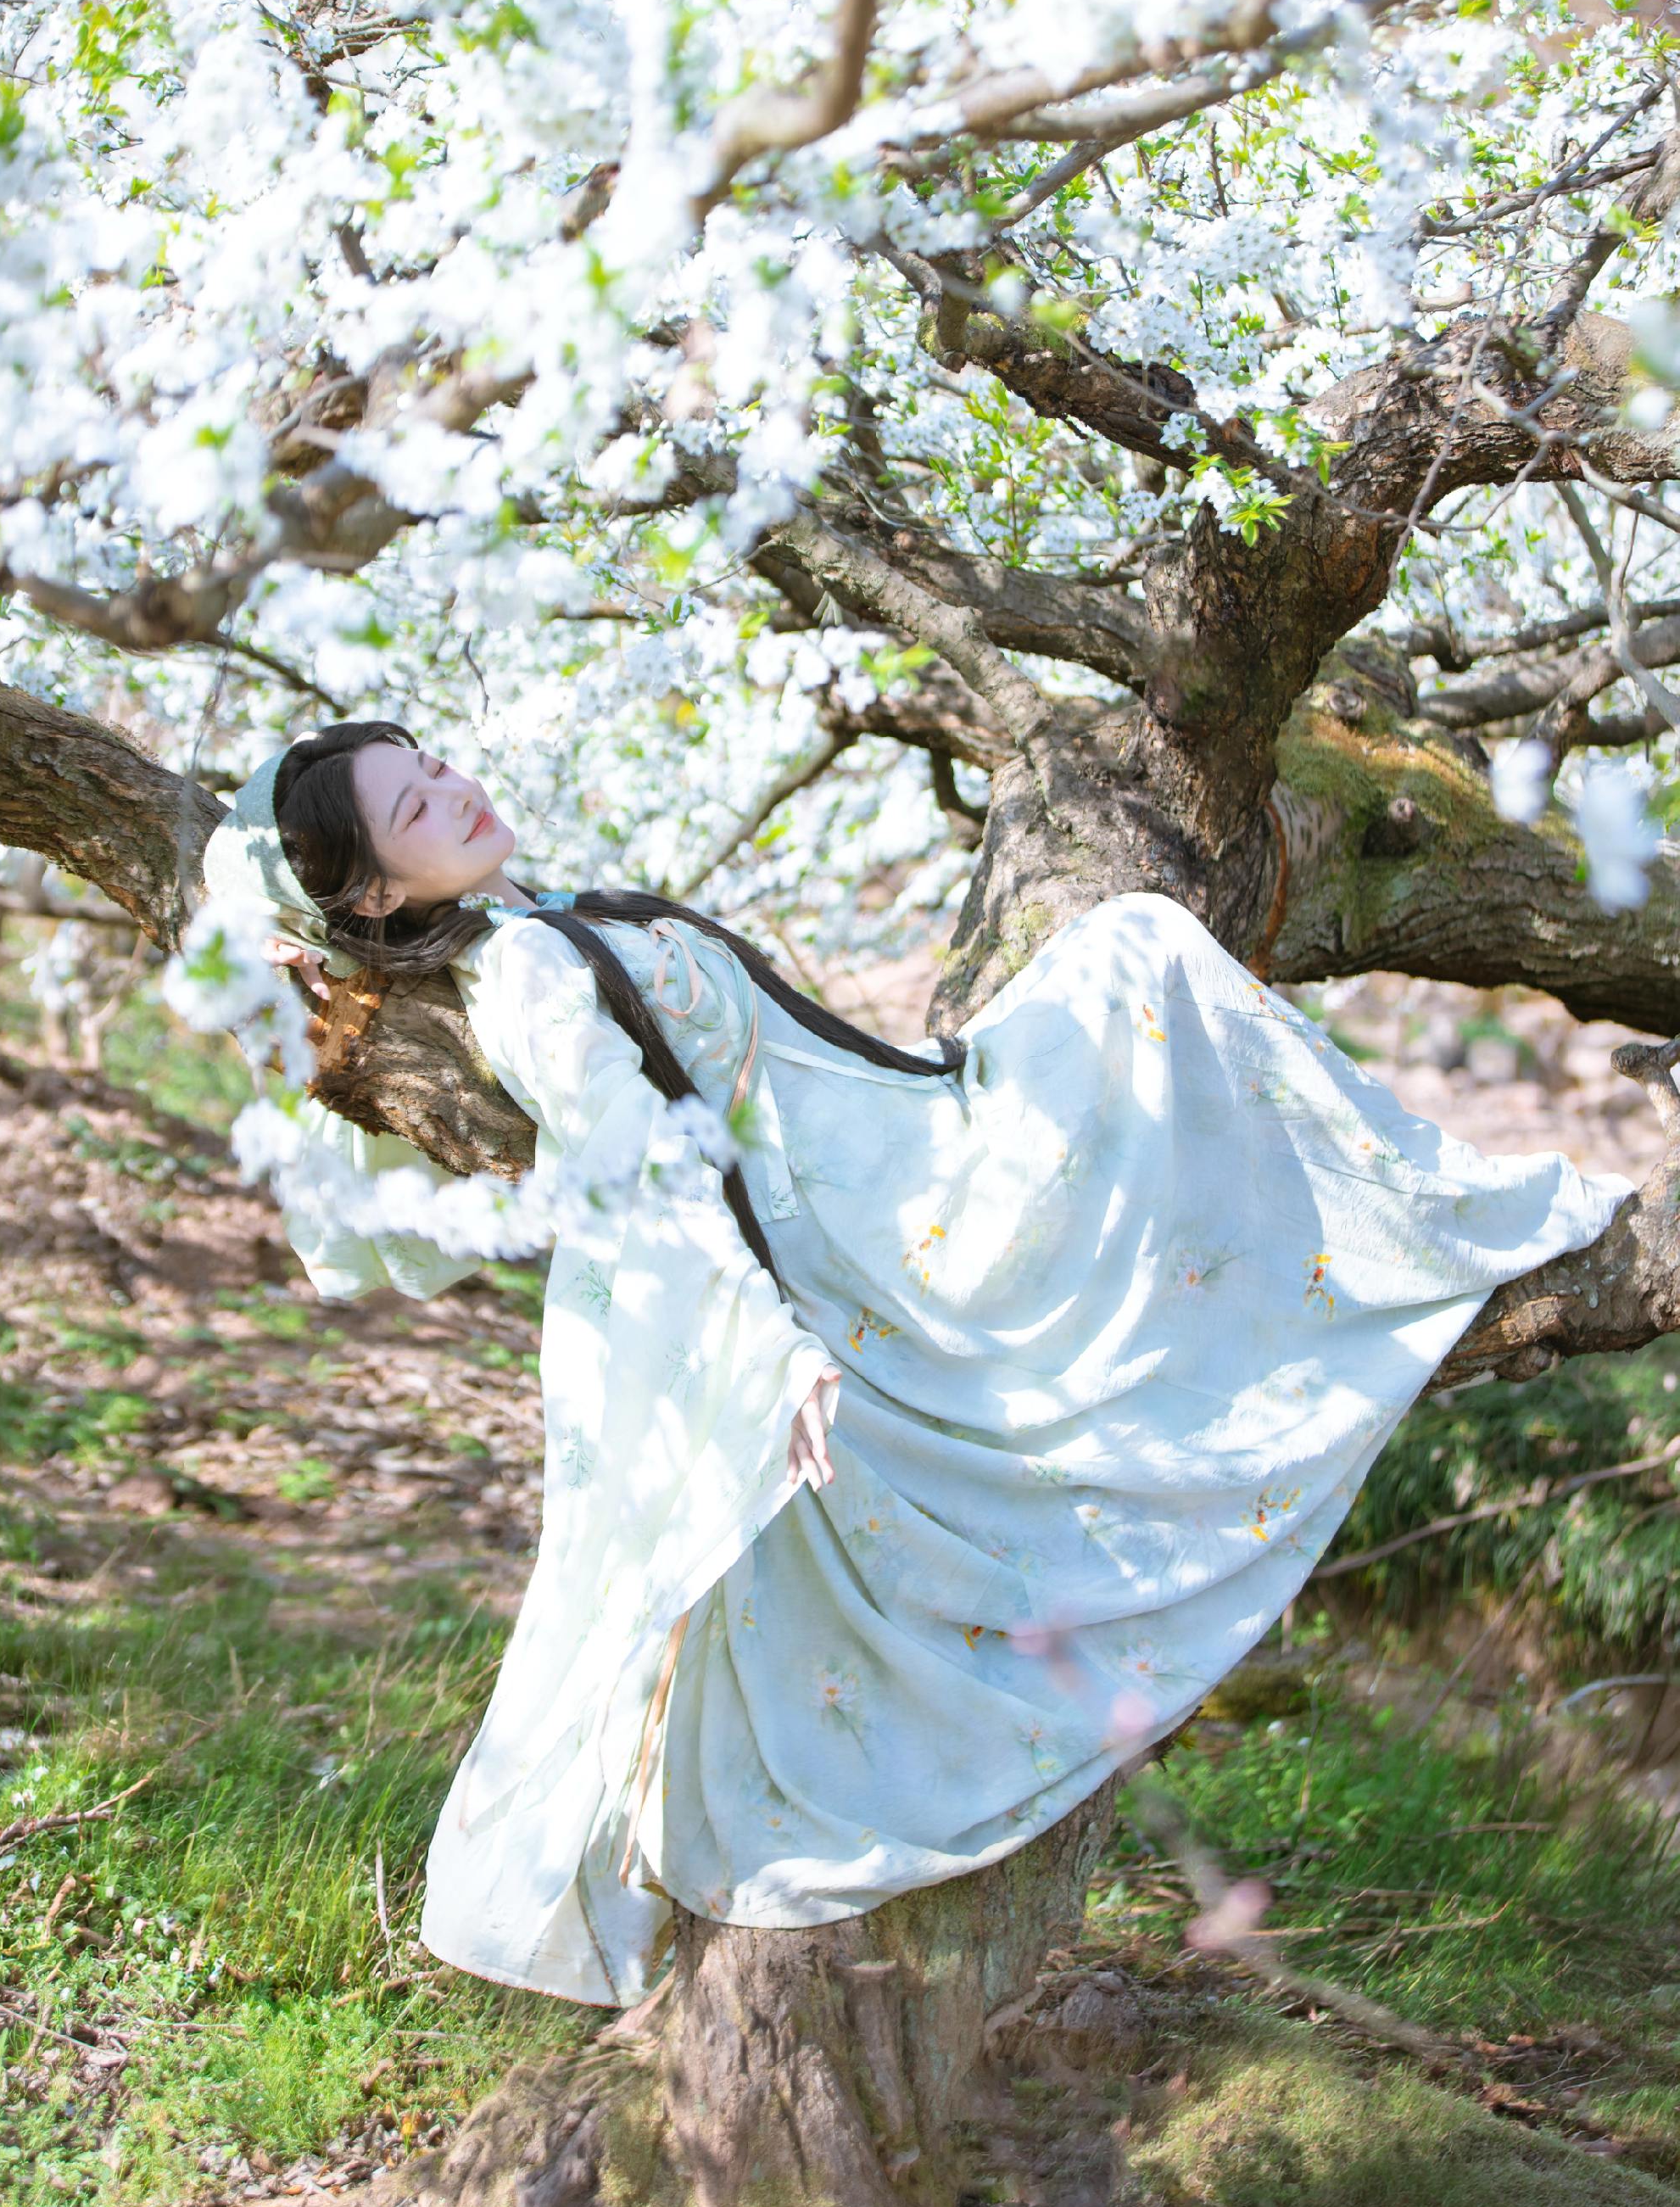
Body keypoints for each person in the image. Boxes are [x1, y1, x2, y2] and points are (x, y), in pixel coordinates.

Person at [197, 722, 1627, 2010]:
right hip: (861, 1229)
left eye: (435, 765)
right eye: (412, 802)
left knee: (1140, 947)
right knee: (1143, 960)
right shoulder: (521, 975)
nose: (455, 787)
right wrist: (769, 1349)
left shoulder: (534, 920)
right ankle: (1434, 1213)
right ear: (377, 893)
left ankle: (1417, 1202)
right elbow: (637, 1168)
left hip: (892, 1128)